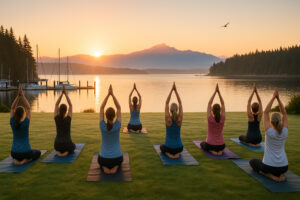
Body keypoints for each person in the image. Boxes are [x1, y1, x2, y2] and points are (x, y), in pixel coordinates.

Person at [249, 88, 288, 182]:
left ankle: (270, 176)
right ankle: (281, 174)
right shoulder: (285, 131)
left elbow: (266, 112)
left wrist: (273, 97)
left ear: (271, 122)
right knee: (279, 169)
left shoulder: (269, 131)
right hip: (284, 166)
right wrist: (278, 98)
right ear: (280, 121)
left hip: (269, 166)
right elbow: (284, 113)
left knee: (253, 162)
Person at [10, 87, 41, 165]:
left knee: (18, 155)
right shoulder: (25, 123)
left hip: (14, 153)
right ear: (23, 115)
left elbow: (12, 108)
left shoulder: (12, 123)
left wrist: (18, 96)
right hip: (25, 153)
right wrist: (22, 95)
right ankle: (25, 161)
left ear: (15, 114)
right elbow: (28, 108)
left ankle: (16, 160)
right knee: (37, 152)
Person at [98, 85, 123, 174]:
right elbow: (119, 108)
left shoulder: (102, 125)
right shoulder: (117, 125)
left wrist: (108, 94)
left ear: (105, 115)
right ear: (114, 116)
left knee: (100, 161)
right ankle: (115, 167)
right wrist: (112, 94)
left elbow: (101, 108)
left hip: (103, 159)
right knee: (119, 161)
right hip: (117, 159)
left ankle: (104, 167)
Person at [200, 83, 226, 156]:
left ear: (212, 110)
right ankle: (219, 151)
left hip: (211, 145)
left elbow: (209, 104)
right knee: (219, 147)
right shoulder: (223, 118)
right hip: (222, 145)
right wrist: (219, 93)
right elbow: (223, 104)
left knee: (202, 143)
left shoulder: (210, 119)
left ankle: (212, 151)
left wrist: (215, 92)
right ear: (220, 109)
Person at [160, 82, 183, 159]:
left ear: (170, 110)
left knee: (161, 146)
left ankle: (169, 155)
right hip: (179, 148)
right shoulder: (179, 119)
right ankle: (177, 154)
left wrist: (171, 90)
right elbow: (180, 103)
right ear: (177, 110)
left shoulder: (167, 119)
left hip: (168, 148)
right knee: (179, 148)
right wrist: (175, 91)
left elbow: (166, 103)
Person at [54, 85, 75, 157]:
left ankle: (59, 152)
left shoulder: (56, 118)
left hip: (57, 145)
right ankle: (66, 152)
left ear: (59, 110)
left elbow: (56, 104)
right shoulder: (68, 119)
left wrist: (61, 94)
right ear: (66, 111)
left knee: (59, 147)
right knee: (73, 146)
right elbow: (71, 105)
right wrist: (65, 94)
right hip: (67, 144)